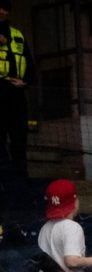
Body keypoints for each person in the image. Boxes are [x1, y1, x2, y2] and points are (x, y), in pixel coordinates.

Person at [0, 0, 33, 181]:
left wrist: (25, 82)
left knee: (19, 139)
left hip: (16, 94)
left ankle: (20, 179)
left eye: (5, 9)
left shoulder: (17, 34)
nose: (2, 12)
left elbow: (29, 64)